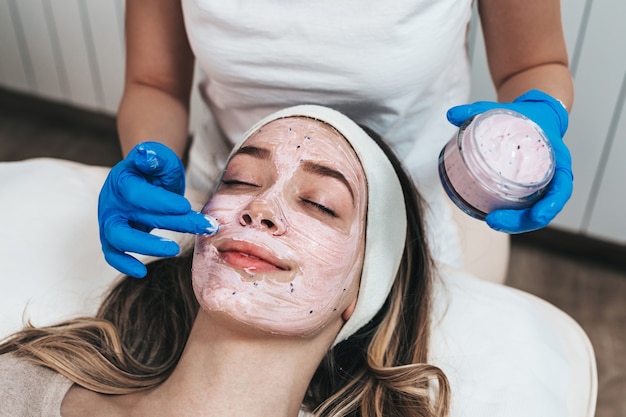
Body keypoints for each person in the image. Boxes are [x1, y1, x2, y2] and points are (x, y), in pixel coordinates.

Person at [0, 106, 451, 417]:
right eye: (240, 181)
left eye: (319, 203)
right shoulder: (19, 383)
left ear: (364, 289)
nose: (260, 208)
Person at [99, 0, 574, 280]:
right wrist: (147, 160)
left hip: (412, 212)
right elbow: (153, 83)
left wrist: (538, 117)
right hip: (222, 203)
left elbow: (532, 64)